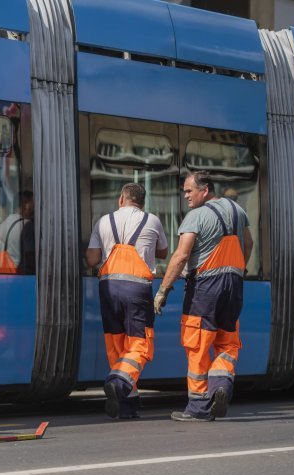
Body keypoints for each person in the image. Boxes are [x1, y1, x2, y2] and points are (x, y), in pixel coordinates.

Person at [154, 171, 253, 422]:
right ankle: (220, 385)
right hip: (234, 284)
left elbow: (181, 256)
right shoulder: (238, 211)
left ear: (205, 190)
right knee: (227, 342)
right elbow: (249, 243)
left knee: (197, 344)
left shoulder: (196, 216)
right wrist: (239, 269)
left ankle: (199, 407)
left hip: (204, 286)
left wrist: (163, 290)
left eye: (189, 190)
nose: (185, 195)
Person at [86, 183, 168, 419]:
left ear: (121, 199)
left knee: (116, 344)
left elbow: (92, 259)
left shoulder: (103, 221)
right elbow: (162, 252)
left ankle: (127, 404)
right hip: (137, 289)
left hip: (108, 287)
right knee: (139, 343)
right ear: (142, 202)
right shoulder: (152, 221)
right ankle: (119, 382)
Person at [0, 191, 33, 274]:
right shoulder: (27, 225)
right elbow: (30, 258)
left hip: (3, 275)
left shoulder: (1, 225)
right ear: (25, 204)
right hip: (20, 276)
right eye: (32, 204)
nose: (34, 209)